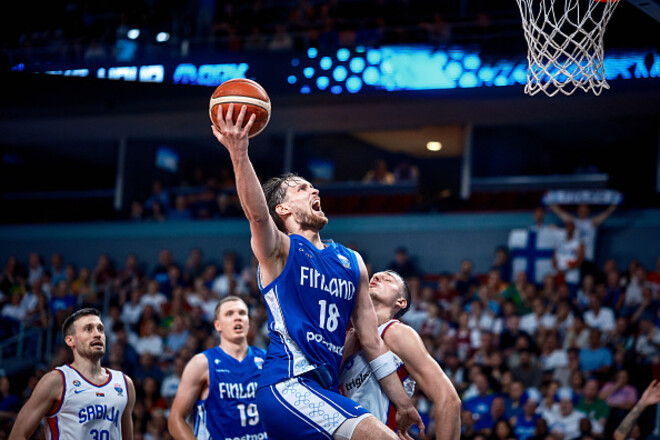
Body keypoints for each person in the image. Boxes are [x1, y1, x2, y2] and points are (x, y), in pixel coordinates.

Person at [211, 104, 423, 440]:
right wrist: (239, 153)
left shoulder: (352, 261)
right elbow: (257, 215)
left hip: (324, 388)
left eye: (313, 187)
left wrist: (404, 403)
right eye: (301, 188)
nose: (315, 190)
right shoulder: (280, 251)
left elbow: (371, 341)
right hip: (288, 383)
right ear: (282, 209)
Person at [339, 270, 461, 439]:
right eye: (375, 276)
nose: (377, 277)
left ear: (401, 302)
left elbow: (449, 400)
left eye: (388, 279)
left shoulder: (396, 332)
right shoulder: (345, 335)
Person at [9, 308, 136, 440]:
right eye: (88, 329)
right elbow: (17, 434)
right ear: (70, 340)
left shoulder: (124, 383)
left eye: (100, 329)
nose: (97, 334)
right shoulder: (56, 380)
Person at [168, 296, 268, 439]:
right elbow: (175, 419)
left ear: (248, 323)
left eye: (242, 313)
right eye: (229, 314)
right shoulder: (201, 363)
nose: (237, 318)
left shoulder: (267, 359)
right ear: (218, 325)